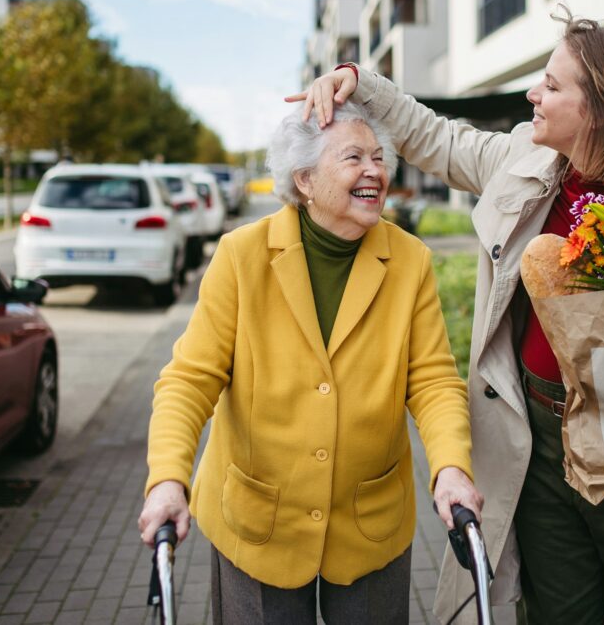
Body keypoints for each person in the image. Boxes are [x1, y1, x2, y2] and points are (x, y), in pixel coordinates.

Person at [288, 8, 604, 624]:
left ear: (602, 109)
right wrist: (358, 81)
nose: (533, 93)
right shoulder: (522, 165)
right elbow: (435, 137)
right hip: (538, 453)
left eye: (551, 85)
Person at [137, 102, 483, 625]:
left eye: (378, 157)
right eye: (353, 157)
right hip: (259, 521)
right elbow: (189, 380)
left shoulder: (409, 260)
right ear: (304, 180)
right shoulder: (242, 255)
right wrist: (167, 478)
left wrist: (451, 468)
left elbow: (432, 379)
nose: (374, 170)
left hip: (370, 520)